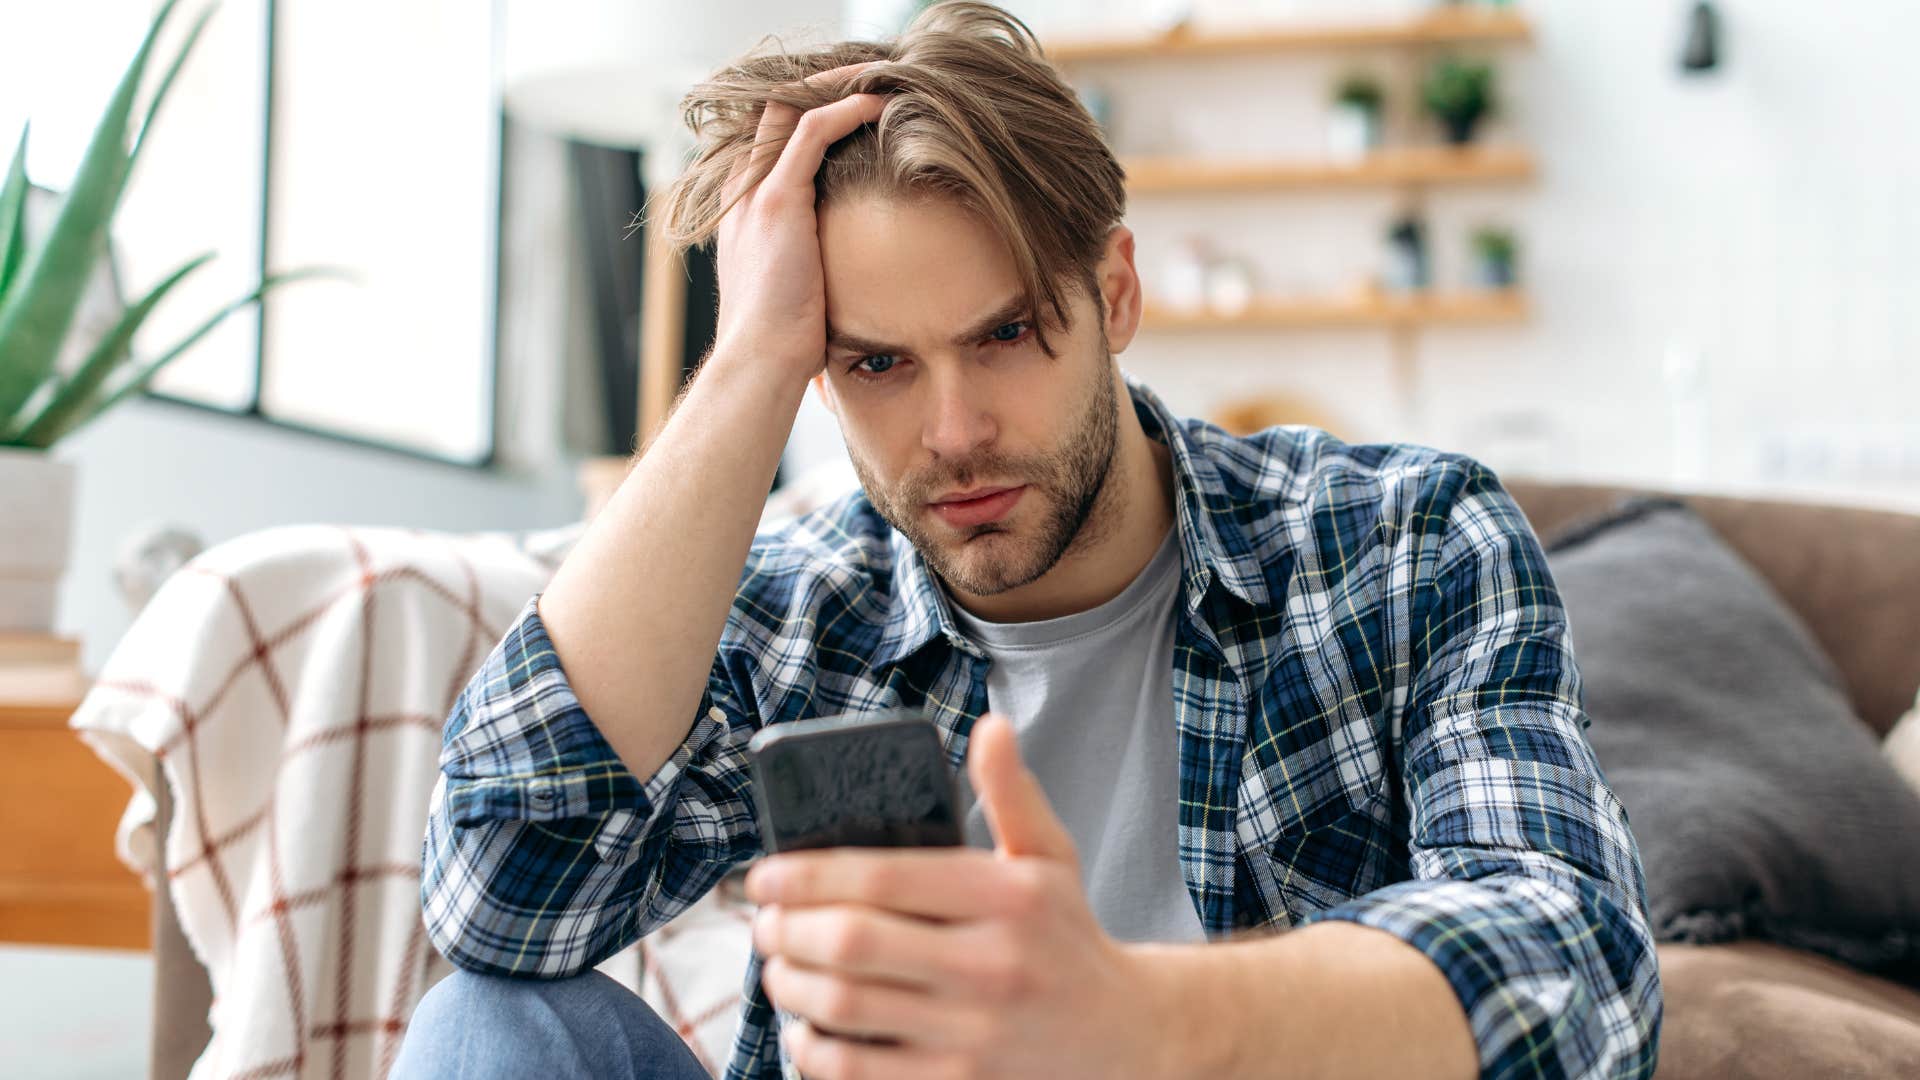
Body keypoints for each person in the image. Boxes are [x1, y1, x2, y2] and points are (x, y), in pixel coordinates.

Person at [393, 4, 1662, 1078]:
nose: (953, 433)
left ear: (1113, 295)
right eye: (877, 362)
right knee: (492, 1025)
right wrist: (748, 365)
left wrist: (1125, 1017)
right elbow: (500, 893)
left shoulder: (1405, 542)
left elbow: (1576, 969)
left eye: (1004, 335)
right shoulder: (798, 613)